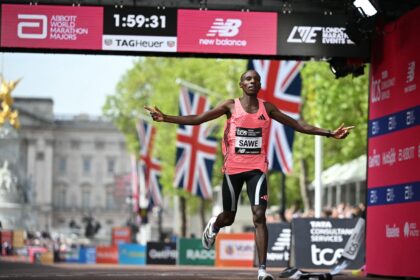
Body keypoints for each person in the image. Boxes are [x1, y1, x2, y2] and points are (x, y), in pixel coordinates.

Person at [145, 69, 354, 280]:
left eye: (256, 79)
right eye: (248, 79)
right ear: (241, 84)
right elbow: (199, 119)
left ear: (259, 85)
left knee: (259, 216)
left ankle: (262, 270)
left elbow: (298, 124)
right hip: (232, 170)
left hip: (257, 170)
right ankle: (215, 224)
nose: (252, 81)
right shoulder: (230, 106)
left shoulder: (267, 108)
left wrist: (329, 133)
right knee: (229, 217)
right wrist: (166, 118)